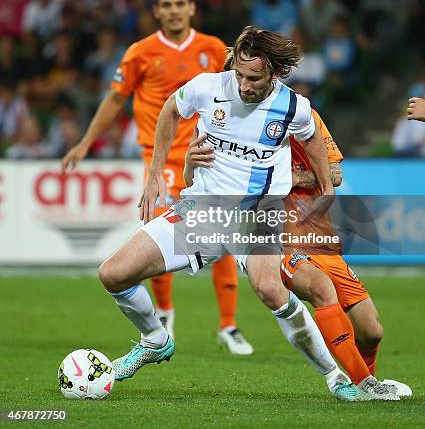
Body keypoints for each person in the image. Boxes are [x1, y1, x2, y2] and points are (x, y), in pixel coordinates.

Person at [95, 26, 369, 401]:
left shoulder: (293, 107)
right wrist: (155, 172)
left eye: (254, 78)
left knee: (270, 289)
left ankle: (335, 377)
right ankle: (155, 338)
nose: (243, 85)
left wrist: (325, 186)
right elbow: (171, 109)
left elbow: (310, 138)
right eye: (240, 74)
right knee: (113, 274)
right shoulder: (209, 87)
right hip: (203, 210)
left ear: (274, 73)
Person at [63, 0, 252, 355]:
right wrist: (86, 142)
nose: (174, 10)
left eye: (180, 3)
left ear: (191, 8)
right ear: (156, 11)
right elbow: (115, 99)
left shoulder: (213, 49)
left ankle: (228, 325)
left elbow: (244, 89)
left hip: (208, 156)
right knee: (159, 230)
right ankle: (164, 313)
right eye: (166, 4)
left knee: (224, 237)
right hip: (161, 159)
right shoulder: (140, 53)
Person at [184, 103, 409, 400]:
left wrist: (288, 178)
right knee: (320, 288)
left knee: (371, 330)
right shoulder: (229, 128)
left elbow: (335, 174)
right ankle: (365, 384)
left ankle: (364, 384)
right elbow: (204, 184)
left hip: (322, 239)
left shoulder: (306, 117)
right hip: (278, 239)